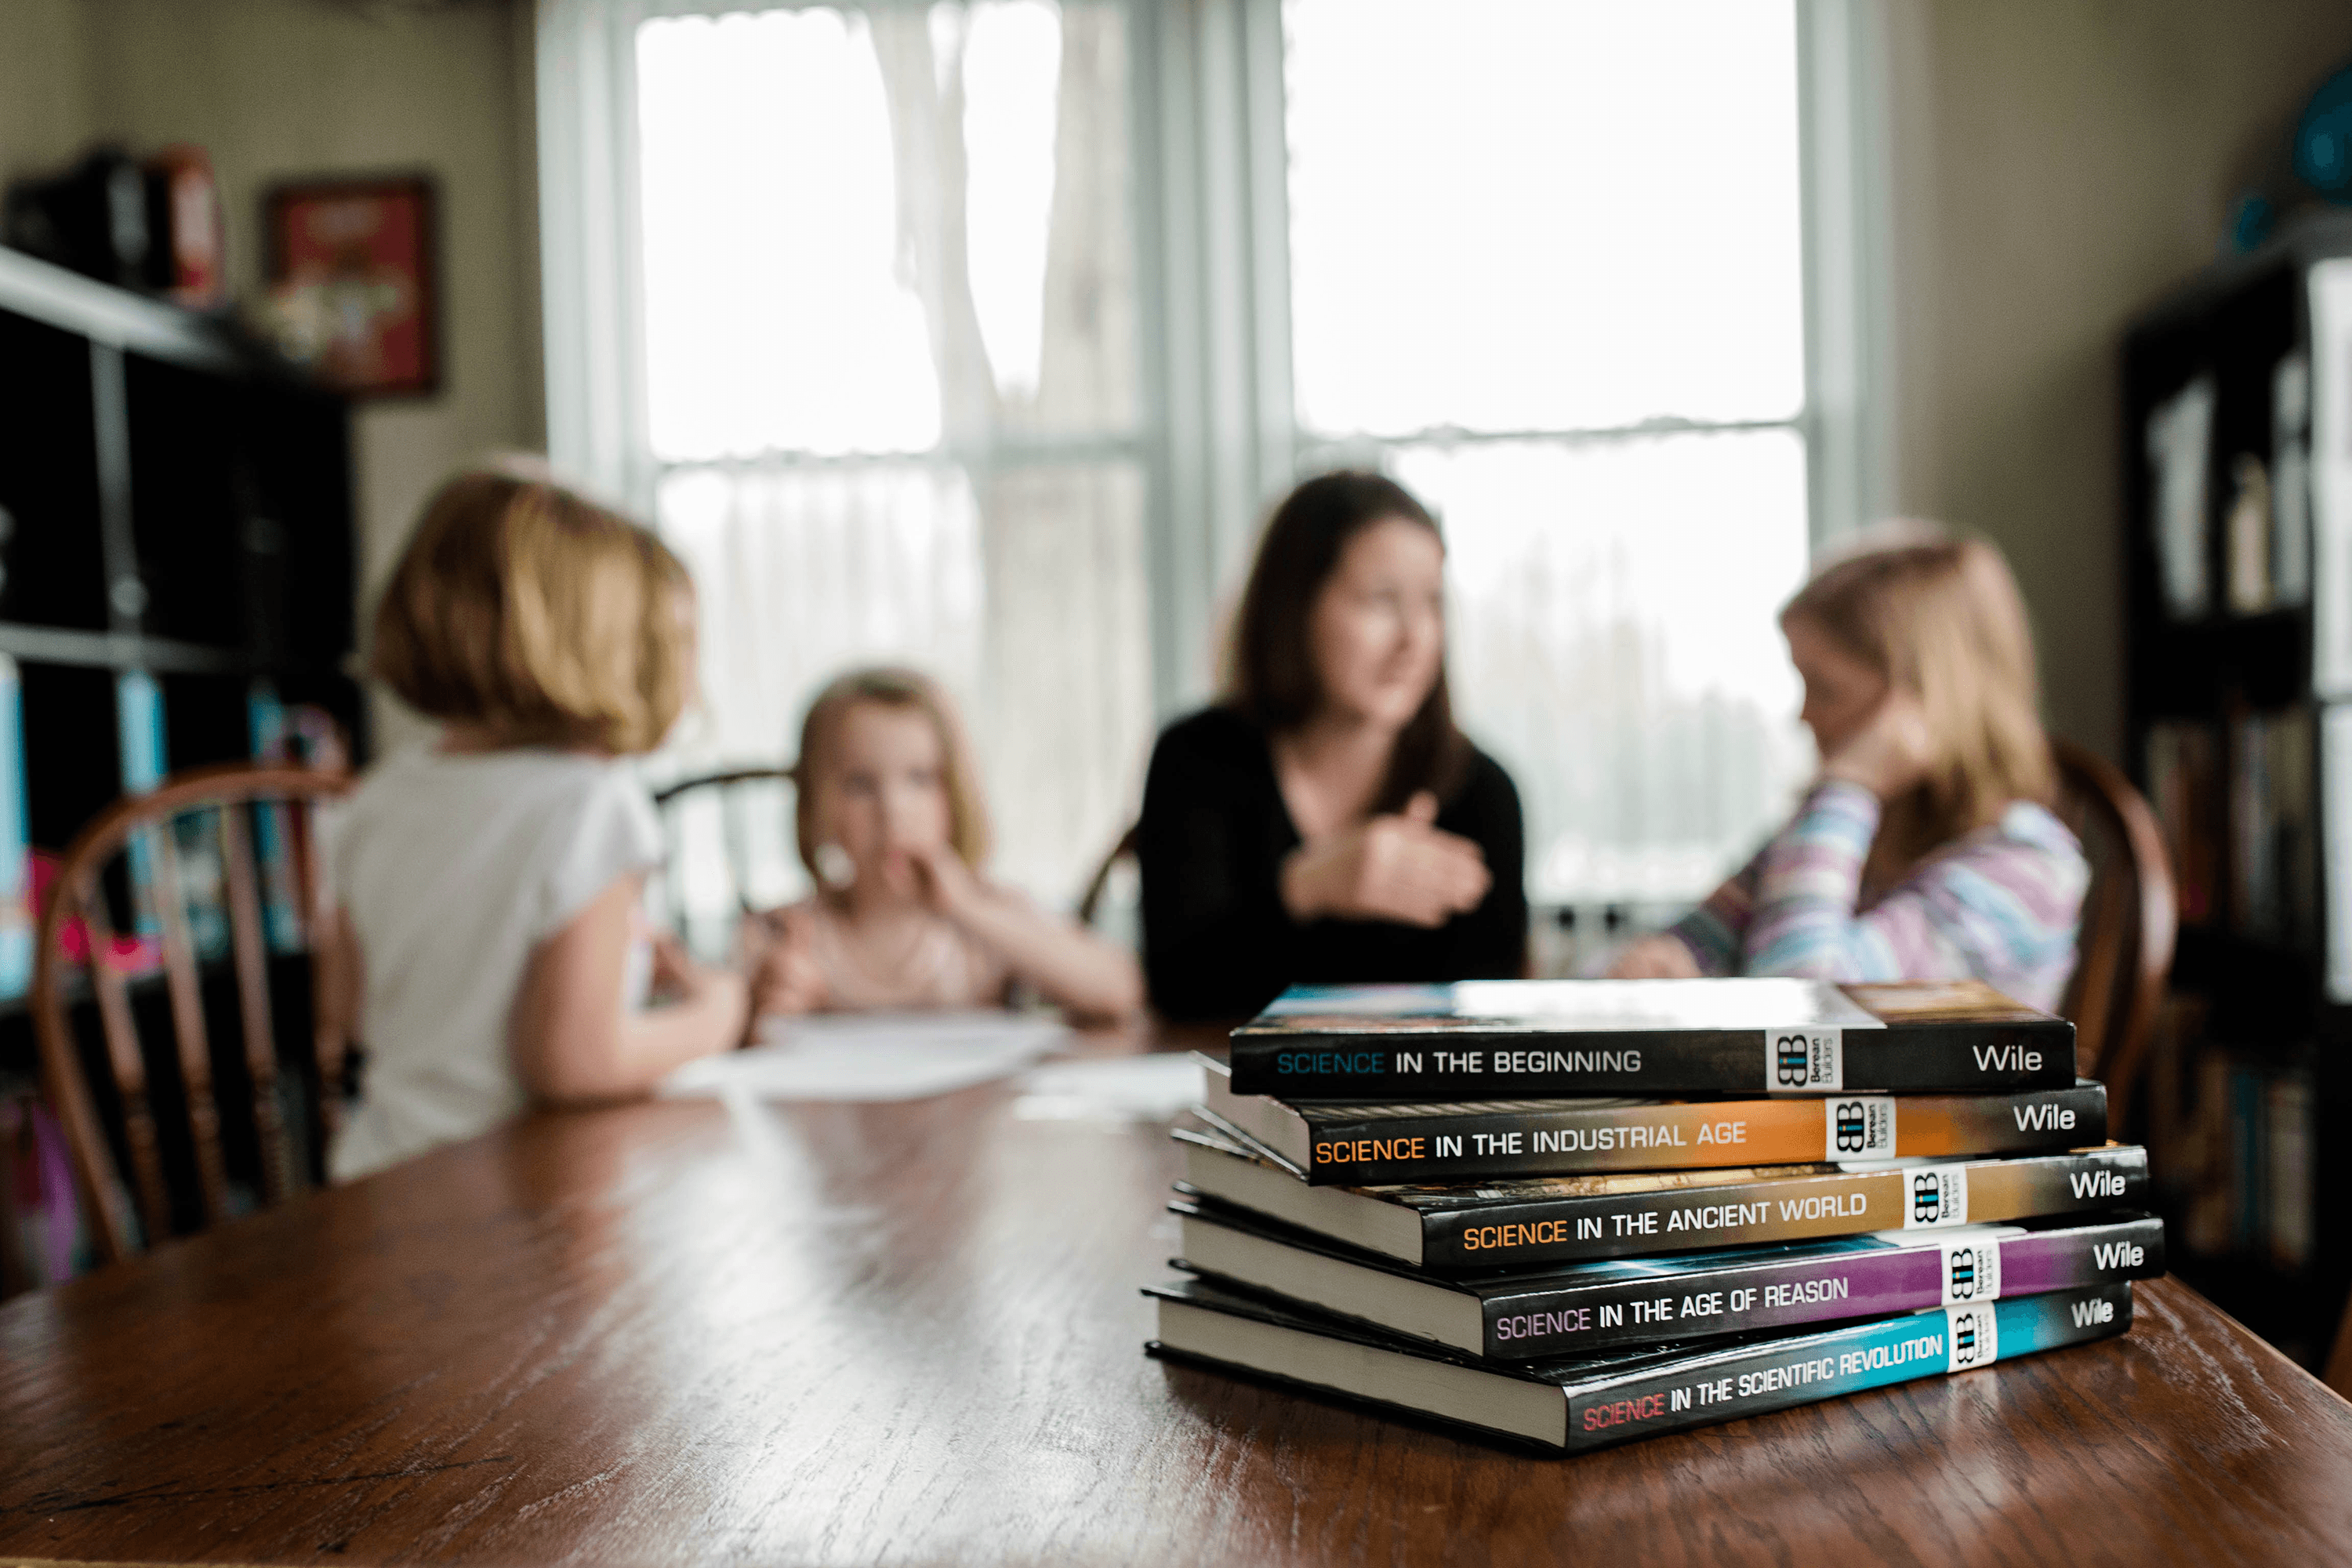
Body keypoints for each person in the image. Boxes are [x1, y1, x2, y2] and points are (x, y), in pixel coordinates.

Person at [328, 466, 750, 1181]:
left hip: (378, 1181)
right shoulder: (590, 807)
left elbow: (352, 1011)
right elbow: (575, 1063)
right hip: (518, 1204)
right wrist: (717, 1013)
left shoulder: (377, 797)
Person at [1610, 525, 2089, 1011]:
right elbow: (1673, 950)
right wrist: (1661, 963)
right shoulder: (1837, 835)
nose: (1803, 715)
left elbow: (1805, 1007)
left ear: (1923, 708)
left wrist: (1846, 784)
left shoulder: (2025, 877)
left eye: (1825, 688)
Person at [1138, 470, 1528, 1021]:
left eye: (1433, 604)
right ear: (1295, 607)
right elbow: (1177, 988)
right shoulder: (1196, 760)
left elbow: (1487, 1012)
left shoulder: (1482, 790)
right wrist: (1307, 888)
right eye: (1381, 601)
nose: (1415, 638)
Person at [744, 666, 1142, 1023]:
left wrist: (966, 907)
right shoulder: (783, 935)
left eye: (920, 779)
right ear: (816, 804)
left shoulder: (989, 919)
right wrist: (775, 1009)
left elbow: (1117, 991)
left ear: (956, 795)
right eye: (860, 784)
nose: (892, 810)